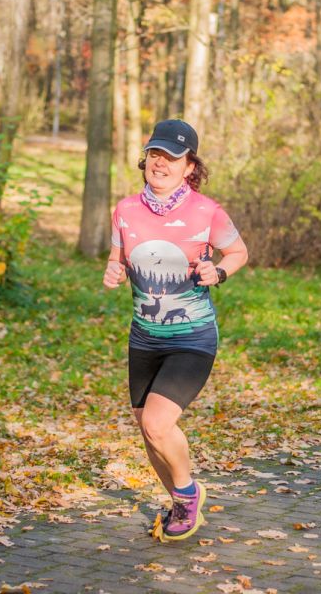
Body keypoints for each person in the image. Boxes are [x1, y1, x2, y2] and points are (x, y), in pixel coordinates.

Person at [102, 119, 248, 542]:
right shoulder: (125, 209)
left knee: (158, 423)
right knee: (147, 428)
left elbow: (238, 252)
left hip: (193, 337)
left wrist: (217, 271)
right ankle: (178, 502)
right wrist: (113, 271)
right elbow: (117, 257)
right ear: (145, 159)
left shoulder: (207, 212)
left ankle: (187, 494)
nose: (160, 163)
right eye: (154, 154)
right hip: (144, 336)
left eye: (172, 157)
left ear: (189, 167)